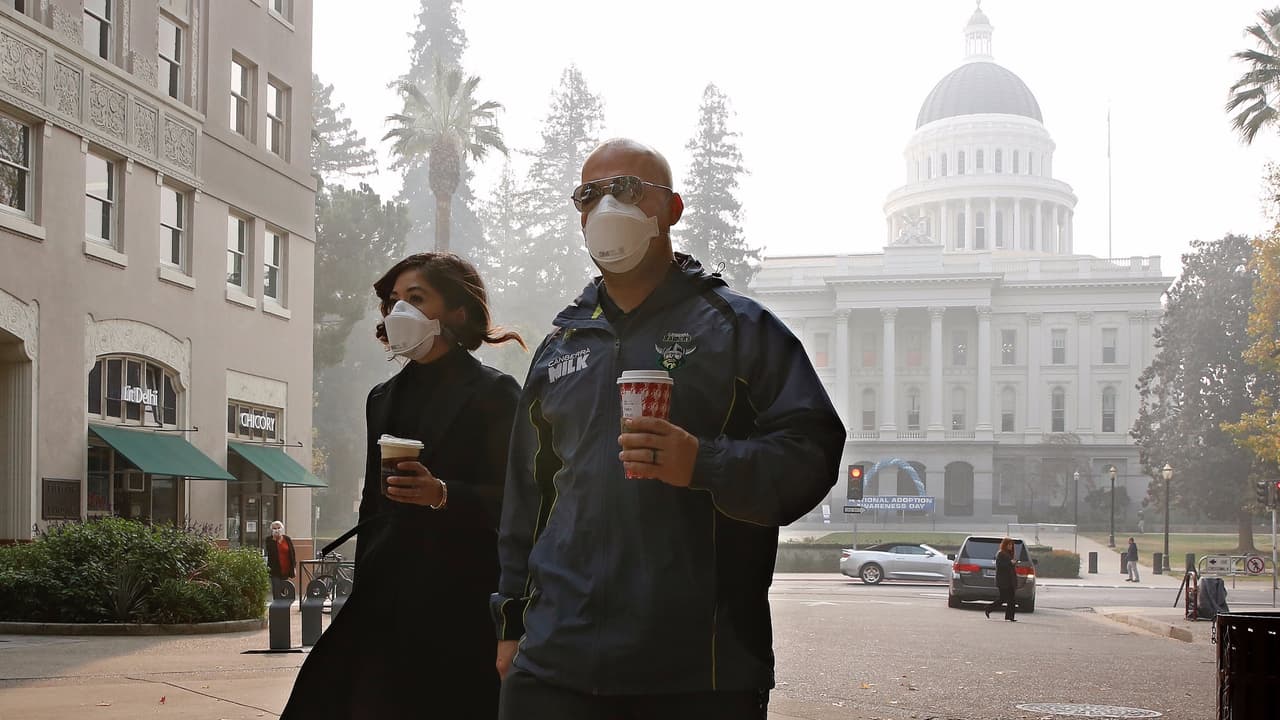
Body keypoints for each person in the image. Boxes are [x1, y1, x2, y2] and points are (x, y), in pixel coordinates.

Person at [492, 139, 846, 719]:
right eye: (589, 194)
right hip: (553, 663)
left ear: (672, 209)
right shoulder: (560, 347)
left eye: (627, 189)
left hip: (698, 672)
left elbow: (813, 452)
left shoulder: (740, 329)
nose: (606, 205)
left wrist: (703, 463)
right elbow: (526, 502)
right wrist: (510, 626)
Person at [281, 253, 524, 720]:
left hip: (460, 599)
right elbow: (373, 504)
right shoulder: (382, 397)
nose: (399, 313)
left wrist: (444, 494)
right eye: (394, 302)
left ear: (456, 310)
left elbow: (517, 502)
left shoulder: (496, 395)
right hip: (383, 593)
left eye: (416, 298)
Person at [985, 538, 1018, 622]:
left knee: (1012, 599)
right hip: (1003, 581)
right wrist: (1010, 563)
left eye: (1011, 545)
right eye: (1009, 544)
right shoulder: (1001, 554)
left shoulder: (1009, 554)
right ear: (1005, 545)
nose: (1010, 546)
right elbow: (1000, 566)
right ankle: (989, 608)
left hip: (1009, 581)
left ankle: (1010, 617)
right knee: (1003, 598)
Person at [265, 521, 296, 598]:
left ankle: (284, 607)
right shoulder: (269, 540)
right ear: (271, 530)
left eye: (279, 528)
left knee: (284, 590)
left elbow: (292, 553)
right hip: (275, 570)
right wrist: (274, 540)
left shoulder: (287, 539)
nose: (277, 530)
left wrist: (294, 567)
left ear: (282, 529)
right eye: (274, 528)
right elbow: (270, 551)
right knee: (276, 590)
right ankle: (276, 607)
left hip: (286, 570)